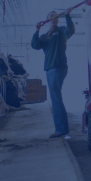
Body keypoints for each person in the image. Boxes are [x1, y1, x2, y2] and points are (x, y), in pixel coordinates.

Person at [31, 8, 74, 138]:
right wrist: (37, 30)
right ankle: (62, 128)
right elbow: (35, 45)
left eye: (56, 17)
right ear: (48, 20)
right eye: (51, 16)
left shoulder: (61, 32)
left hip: (58, 67)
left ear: (58, 19)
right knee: (56, 98)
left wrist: (67, 16)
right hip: (50, 69)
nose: (54, 18)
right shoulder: (46, 36)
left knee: (56, 98)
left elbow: (70, 31)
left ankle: (61, 129)